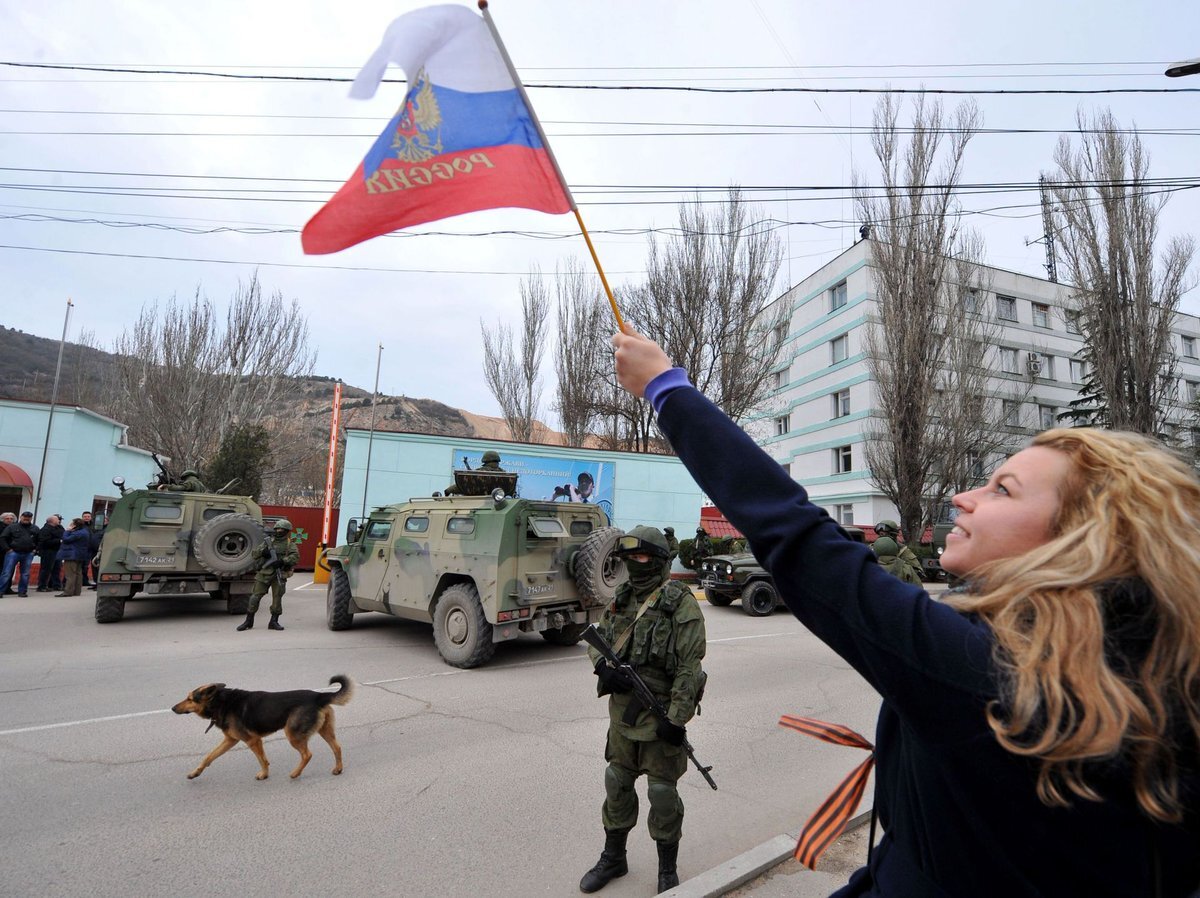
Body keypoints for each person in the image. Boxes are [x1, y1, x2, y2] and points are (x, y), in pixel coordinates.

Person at [612, 327, 1200, 897]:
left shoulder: (993, 672)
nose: (961, 498)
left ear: (1080, 539)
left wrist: (667, 389)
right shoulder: (1156, 676)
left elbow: (798, 535)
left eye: (1003, 490)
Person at [580, 525, 706, 894]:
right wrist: (602, 667)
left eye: (642, 557)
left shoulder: (679, 602)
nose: (636, 564)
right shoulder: (621, 597)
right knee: (617, 783)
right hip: (623, 713)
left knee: (662, 793)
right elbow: (598, 639)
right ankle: (614, 857)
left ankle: (667, 868)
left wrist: (677, 719)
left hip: (662, 710)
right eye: (629, 557)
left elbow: (690, 666)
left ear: (659, 559)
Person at [237, 518, 299, 632]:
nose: (280, 531)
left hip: (279, 574)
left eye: (283, 529)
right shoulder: (267, 541)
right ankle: (248, 621)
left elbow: (295, 557)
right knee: (255, 597)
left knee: (277, 598)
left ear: (287, 531)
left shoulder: (290, 544)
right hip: (264, 573)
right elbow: (254, 554)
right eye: (278, 529)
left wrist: (283, 561)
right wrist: (263, 552)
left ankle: (274, 621)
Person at [0, 511, 40, 597]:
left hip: (28, 554)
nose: (26, 518)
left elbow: (40, 540)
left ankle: (22, 592)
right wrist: (7, 549)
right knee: (6, 572)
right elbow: (3, 538)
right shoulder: (12, 527)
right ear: (21, 517)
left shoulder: (35, 528)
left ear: (31, 518)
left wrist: (35, 550)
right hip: (13, 552)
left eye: (28, 517)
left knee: (25, 574)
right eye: (25, 516)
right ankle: (0, 591)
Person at [55, 518, 90, 596]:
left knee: (70, 574)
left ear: (75, 525)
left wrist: (67, 530)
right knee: (78, 573)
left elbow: (66, 539)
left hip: (71, 555)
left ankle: (68, 592)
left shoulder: (77, 533)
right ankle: (77, 591)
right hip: (80, 555)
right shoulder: (85, 532)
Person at [35, 514, 64, 592]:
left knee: (57, 568)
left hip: (58, 551)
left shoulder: (60, 528)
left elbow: (64, 535)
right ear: (52, 521)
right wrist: (59, 541)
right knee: (46, 569)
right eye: (58, 519)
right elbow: (45, 541)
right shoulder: (45, 529)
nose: (59, 521)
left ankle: (56, 585)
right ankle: (42, 586)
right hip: (48, 551)